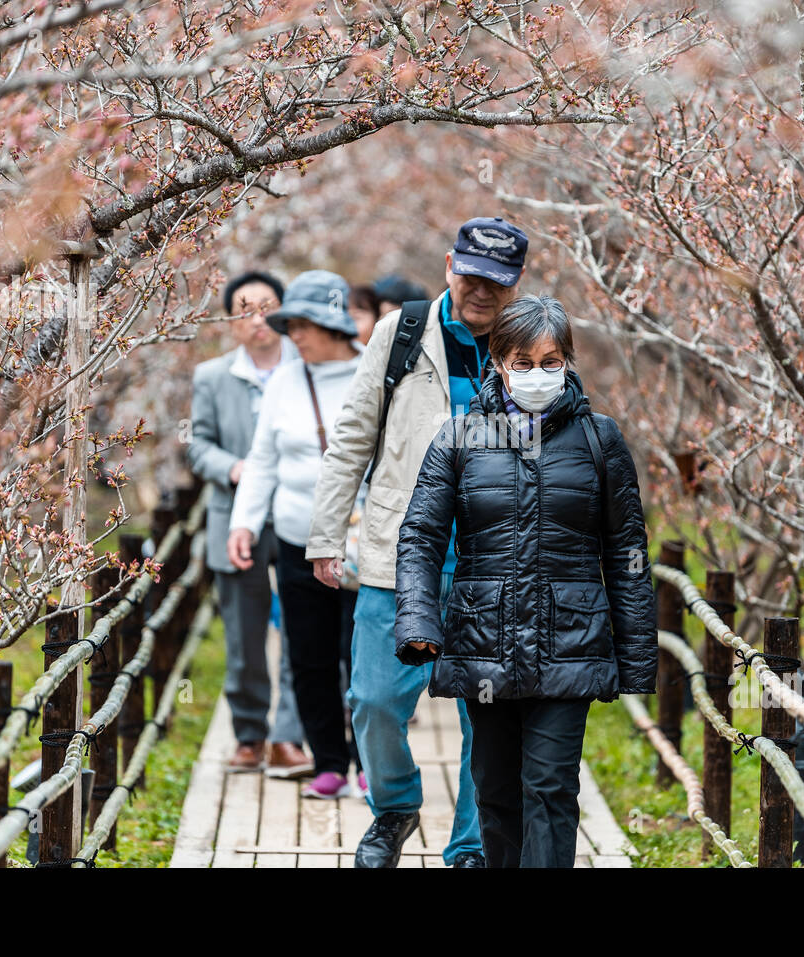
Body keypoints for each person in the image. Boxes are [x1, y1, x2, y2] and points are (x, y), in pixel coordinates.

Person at [395, 294, 657, 867]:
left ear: (567, 362)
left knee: (551, 787)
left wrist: (637, 661)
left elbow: (627, 553)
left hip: (570, 644)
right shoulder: (459, 438)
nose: (537, 375)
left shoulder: (600, 440)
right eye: (522, 362)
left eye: (550, 362)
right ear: (497, 362)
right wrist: (418, 622)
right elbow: (420, 537)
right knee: (494, 789)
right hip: (482, 644)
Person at [306, 216, 529, 868]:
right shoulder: (400, 332)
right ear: (449, 264)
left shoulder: (531, 346)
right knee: (373, 701)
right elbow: (352, 437)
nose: (481, 291)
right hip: (398, 557)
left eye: (497, 281)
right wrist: (326, 533)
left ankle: (470, 847)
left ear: (514, 285)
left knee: (483, 719)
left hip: (493, 566)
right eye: (472, 275)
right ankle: (396, 807)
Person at [229, 270, 366, 799]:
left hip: (358, 546)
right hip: (294, 543)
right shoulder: (287, 380)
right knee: (307, 657)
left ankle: (368, 762)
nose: (294, 337)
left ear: (331, 326)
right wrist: (244, 522)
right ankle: (328, 760)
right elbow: (262, 461)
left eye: (302, 326)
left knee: (361, 658)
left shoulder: (369, 376)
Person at [187, 271, 311, 776]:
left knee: (303, 629)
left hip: (300, 514)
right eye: (244, 309)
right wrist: (233, 469)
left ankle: (289, 736)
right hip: (234, 516)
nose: (257, 319)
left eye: (267, 307)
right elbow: (197, 446)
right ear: (231, 319)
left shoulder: (308, 370)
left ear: (283, 312)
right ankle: (249, 735)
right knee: (243, 634)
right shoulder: (212, 377)